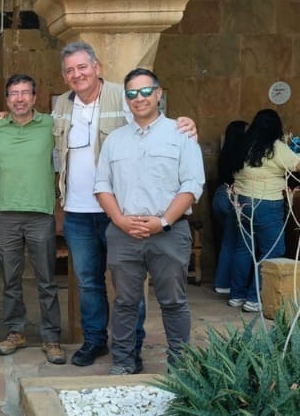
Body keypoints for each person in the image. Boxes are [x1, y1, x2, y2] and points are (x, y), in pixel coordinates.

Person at [52, 41, 196, 368]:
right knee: (88, 283)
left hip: (123, 213)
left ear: (97, 67)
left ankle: (133, 348)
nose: (77, 75)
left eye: (82, 67)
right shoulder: (62, 104)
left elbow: (155, 115)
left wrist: (186, 123)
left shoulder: (124, 93)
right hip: (78, 211)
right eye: (70, 70)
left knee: (129, 289)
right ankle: (94, 341)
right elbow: (56, 152)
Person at [94, 68, 205, 375]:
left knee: (173, 301)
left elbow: (191, 186)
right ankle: (124, 362)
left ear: (159, 94)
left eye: (145, 92)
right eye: (131, 93)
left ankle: (179, 366)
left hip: (169, 232)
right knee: (125, 303)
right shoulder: (115, 140)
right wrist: (120, 220)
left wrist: (163, 222)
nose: (138, 98)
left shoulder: (180, 135)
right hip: (124, 234)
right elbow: (102, 185)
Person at [0, 74, 64, 364]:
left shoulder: (51, 124)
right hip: (7, 213)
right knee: (10, 278)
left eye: (25, 93)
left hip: (40, 214)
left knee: (47, 279)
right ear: (7, 99)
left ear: (35, 98)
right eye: (13, 94)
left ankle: (51, 336)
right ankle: (16, 331)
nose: (19, 98)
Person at [228, 109, 300, 313]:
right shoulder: (276, 147)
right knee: (273, 251)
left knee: (244, 249)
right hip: (267, 203)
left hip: (242, 201)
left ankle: (237, 295)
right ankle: (254, 298)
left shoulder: (244, 144)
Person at [210, 120, 248, 295]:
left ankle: (223, 283)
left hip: (220, 195)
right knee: (235, 242)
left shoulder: (227, 152)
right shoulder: (243, 153)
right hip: (233, 197)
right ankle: (229, 284)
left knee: (229, 241)